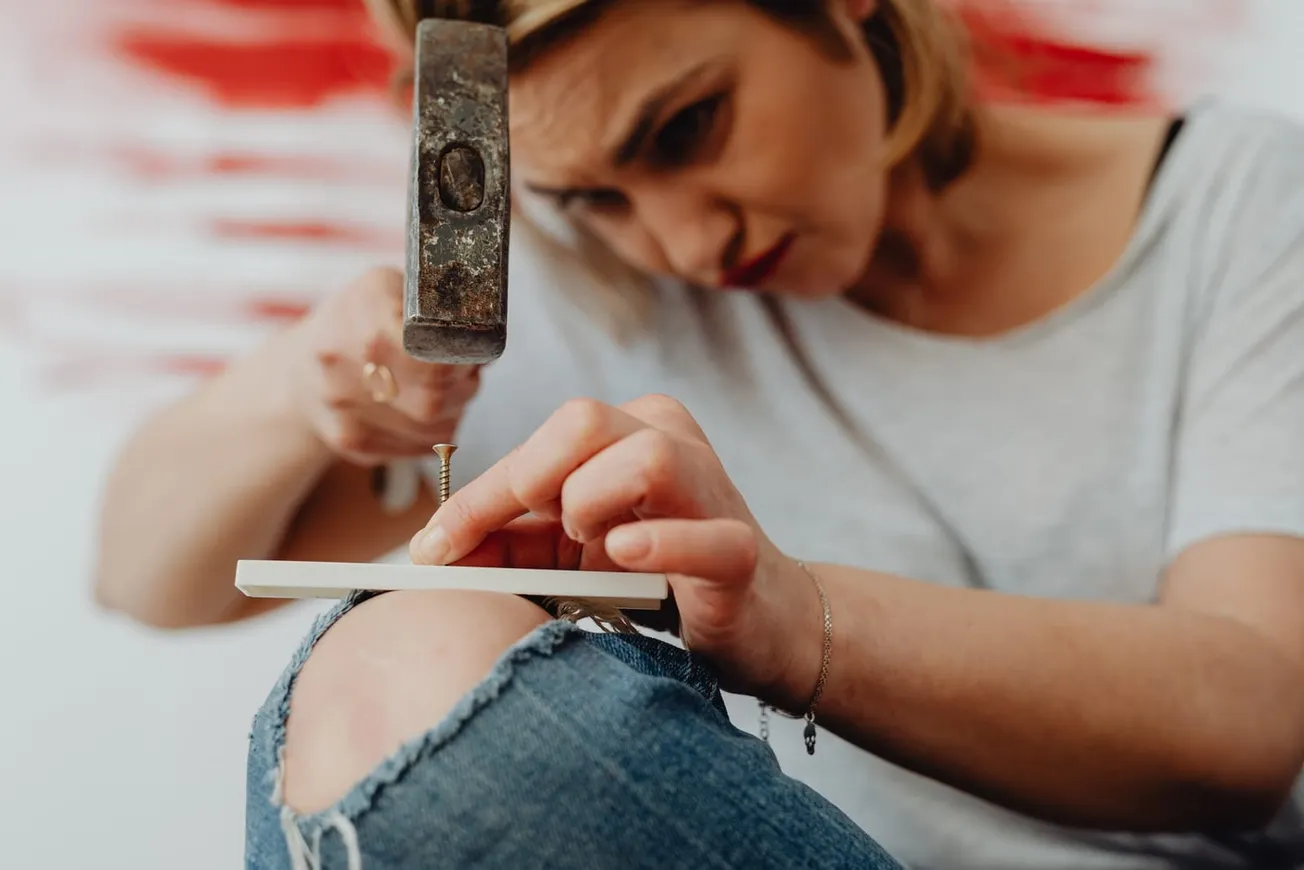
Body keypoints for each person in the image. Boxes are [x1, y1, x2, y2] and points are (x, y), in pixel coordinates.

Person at [93, 0, 1304, 867]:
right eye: (589, 198)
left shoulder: (1248, 210)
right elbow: (148, 575)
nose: (677, 244)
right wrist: (295, 389)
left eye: (686, 128)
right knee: (389, 660)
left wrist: (791, 618)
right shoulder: (607, 295)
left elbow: (1250, 722)